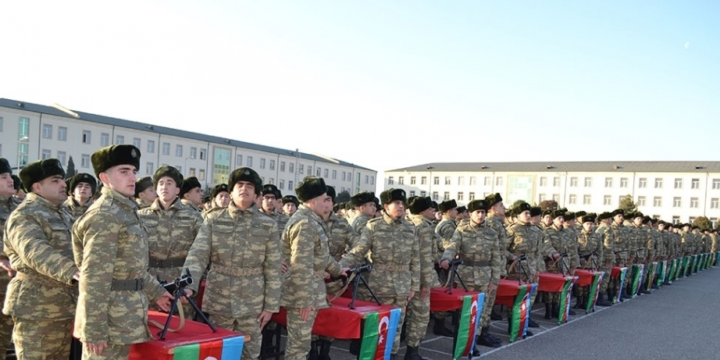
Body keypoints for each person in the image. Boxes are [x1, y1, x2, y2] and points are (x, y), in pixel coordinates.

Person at [72, 144, 173, 360]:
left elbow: (130, 266)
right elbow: (93, 277)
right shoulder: (105, 215)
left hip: (123, 318)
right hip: (107, 323)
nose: (132, 177)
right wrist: (94, 329)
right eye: (124, 171)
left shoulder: (125, 210)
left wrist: (157, 291)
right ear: (104, 177)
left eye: (134, 171)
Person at [183, 167, 281, 360]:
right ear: (231, 192)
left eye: (249, 186)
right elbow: (198, 254)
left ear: (256, 195)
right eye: (239, 185)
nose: (244, 189)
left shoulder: (267, 224)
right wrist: (188, 285)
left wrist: (270, 306)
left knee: (249, 353)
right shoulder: (214, 219)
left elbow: (273, 267)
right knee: (218, 353)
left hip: (252, 302)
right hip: (220, 299)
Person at [3, 158, 80, 359]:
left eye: (62, 180)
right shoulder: (25, 215)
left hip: (65, 306)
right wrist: (73, 271)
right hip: (37, 309)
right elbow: (34, 250)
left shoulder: (63, 213)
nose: (64, 184)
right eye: (55, 180)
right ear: (37, 187)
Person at [341, 188, 420, 360]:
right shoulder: (374, 226)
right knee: (376, 329)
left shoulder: (410, 228)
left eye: (402, 203)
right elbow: (359, 251)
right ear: (386, 206)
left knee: (396, 327)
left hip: (402, 287)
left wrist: (413, 286)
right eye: (396, 203)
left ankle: (391, 355)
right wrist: (339, 266)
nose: (401, 206)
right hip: (379, 286)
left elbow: (415, 260)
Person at [282, 176, 347, 360]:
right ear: (313, 201)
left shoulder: (311, 221)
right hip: (302, 294)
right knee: (298, 347)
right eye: (324, 199)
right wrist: (304, 300)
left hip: (309, 289)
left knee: (301, 345)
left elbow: (321, 255)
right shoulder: (305, 224)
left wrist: (337, 270)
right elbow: (300, 264)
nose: (326, 204)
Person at [138, 166, 203, 316]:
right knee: (150, 329)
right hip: (149, 283)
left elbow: (200, 254)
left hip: (181, 282)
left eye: (169, 183)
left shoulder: (193, 217)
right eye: (160, 183)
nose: (164, 187)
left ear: (178, 189)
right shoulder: (141, 216)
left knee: (183, 330)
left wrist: (191, 286)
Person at [440, 199, 503, 350]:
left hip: (484, 276)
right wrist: (446, 258)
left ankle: (473, 342)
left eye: (483, 212)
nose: (480, 215)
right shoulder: (462, 230)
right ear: (470, 214)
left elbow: (496, 257)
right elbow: (452, 246)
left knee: (479, 311)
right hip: (465, 277)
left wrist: (494, 279)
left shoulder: (491, 233)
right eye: (477, 212)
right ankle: (462, 343)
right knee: (464, 312)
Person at [405, 196, 440, 359]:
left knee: (407, 315)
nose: (434, 211)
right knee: (420, 316)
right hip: (419, 278)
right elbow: (425, 258)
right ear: (422, 211)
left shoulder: (410, 223)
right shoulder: (424, 227)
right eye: (431, 208)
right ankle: (412, 352)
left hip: (407, 276)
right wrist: (426, 283)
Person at [432, 199, 458, 336]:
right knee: (442, 293)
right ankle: (439, 324)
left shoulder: (447, 223)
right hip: (443, 263)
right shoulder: (448, 226)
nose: (457, 212)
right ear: (449, 211)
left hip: (441, 261)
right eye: (455, 210)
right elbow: (448, 244)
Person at [0, 159, 17, 357]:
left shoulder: (20, 207)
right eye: (3, 177)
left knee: (7, 335)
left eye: (10, 176)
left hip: (13, 284)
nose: (10, 180)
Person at [594, 212, 615, 306]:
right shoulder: (607, 229)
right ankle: (600, 298)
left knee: (603, 277)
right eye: (611, 218)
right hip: (605, 257)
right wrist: (608, 259)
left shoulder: (601, 228)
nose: (612, 220)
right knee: (605, 277)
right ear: (606, 219)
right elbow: (607, 245)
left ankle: (599, 297)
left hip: (602, 256)